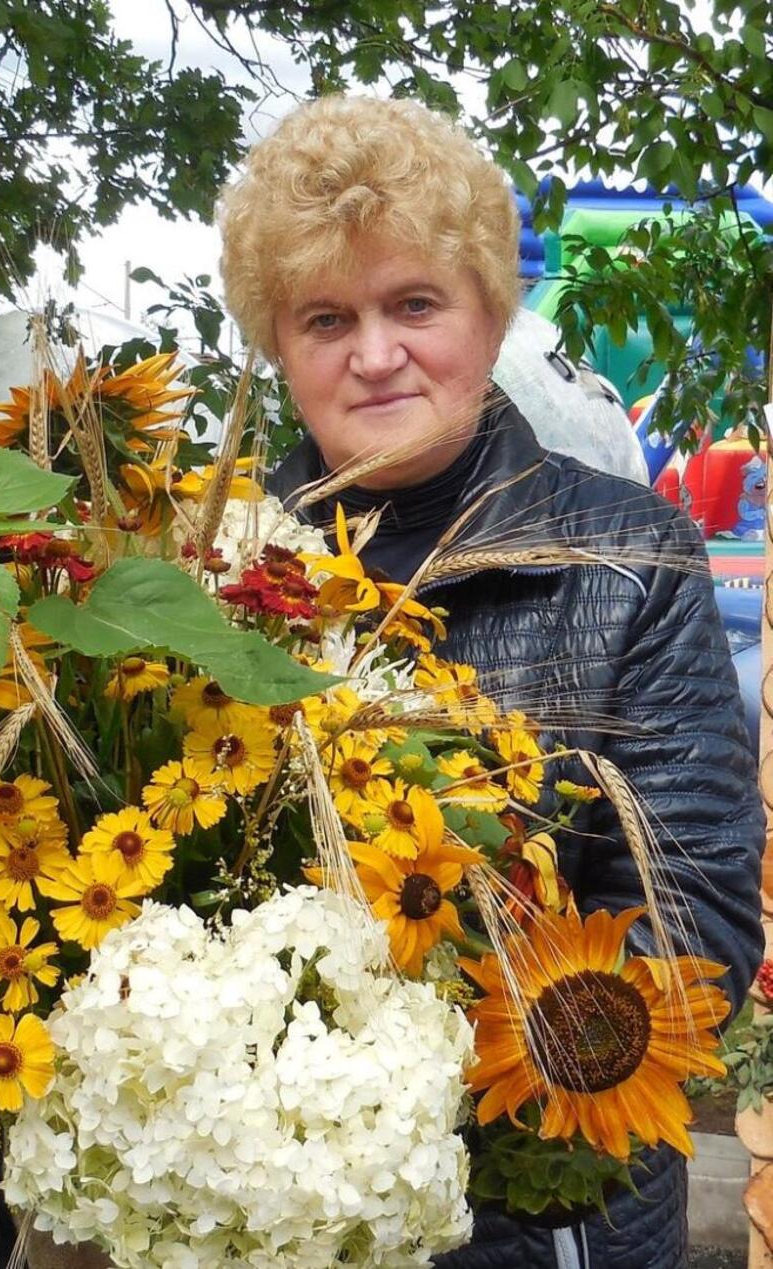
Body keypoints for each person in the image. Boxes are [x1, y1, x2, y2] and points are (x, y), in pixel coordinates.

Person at [217, 93, 763, 1268]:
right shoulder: (202, 574)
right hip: (256, 1218)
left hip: (541, 1221)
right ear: (277, 342)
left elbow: (697, 931)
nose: (375, 355)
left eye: (415, 303)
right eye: (326, 317)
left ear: (487, 312)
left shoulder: (629, 561)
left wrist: (376, 1070)